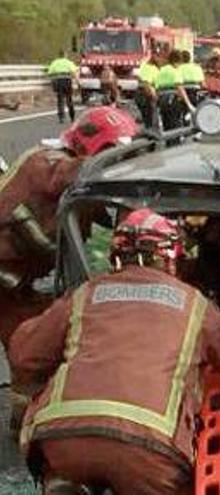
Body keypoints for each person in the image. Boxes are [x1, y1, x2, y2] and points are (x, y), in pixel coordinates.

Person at [10, 208, 220, 495]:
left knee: (67, 467)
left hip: (63, 438)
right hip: (150, 450)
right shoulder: (193, 304)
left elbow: (24, 354)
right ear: (171, 256)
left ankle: (64, 480)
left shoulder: (87, 293)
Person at [1, 107, 140, 435]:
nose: (114, 159)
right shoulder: (47, 162)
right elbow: (74, 175)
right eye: (111, 151)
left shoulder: (79, 183)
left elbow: (102, 213)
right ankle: (27, 424)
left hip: (16, 277)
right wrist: (127, 159)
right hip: (6, 279)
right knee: (31, 346)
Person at [155, 50, 195, 133]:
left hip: (162, 99)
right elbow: (180, 88)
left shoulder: (161, 70)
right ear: (178, 61)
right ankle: (175, 143)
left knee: (166, 123)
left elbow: (156, 86)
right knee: (175, 123)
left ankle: (169, 143)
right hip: (172, 99)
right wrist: (188, 104)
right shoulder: (175, 71)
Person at [46, 51, 77, 123]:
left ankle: (61, 117)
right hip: (67, 81)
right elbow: (74, 72)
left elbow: (50, 73)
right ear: (65, 55)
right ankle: (72, 116)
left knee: (60, 100)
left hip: (58, 82)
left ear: (59, 55)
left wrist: (52, 82)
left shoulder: (55, 62)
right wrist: (78, 82)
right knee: (69, 99)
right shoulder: (69, 62)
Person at [136, 55, 161, 129]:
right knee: (152, 118)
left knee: (146, 117)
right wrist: (154, 96)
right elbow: (148, 84)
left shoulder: (143, 67)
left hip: (139, 93)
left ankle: (148, 130)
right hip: (147, 94)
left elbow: (140, 79)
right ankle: (151, 134)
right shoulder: (154, 69)